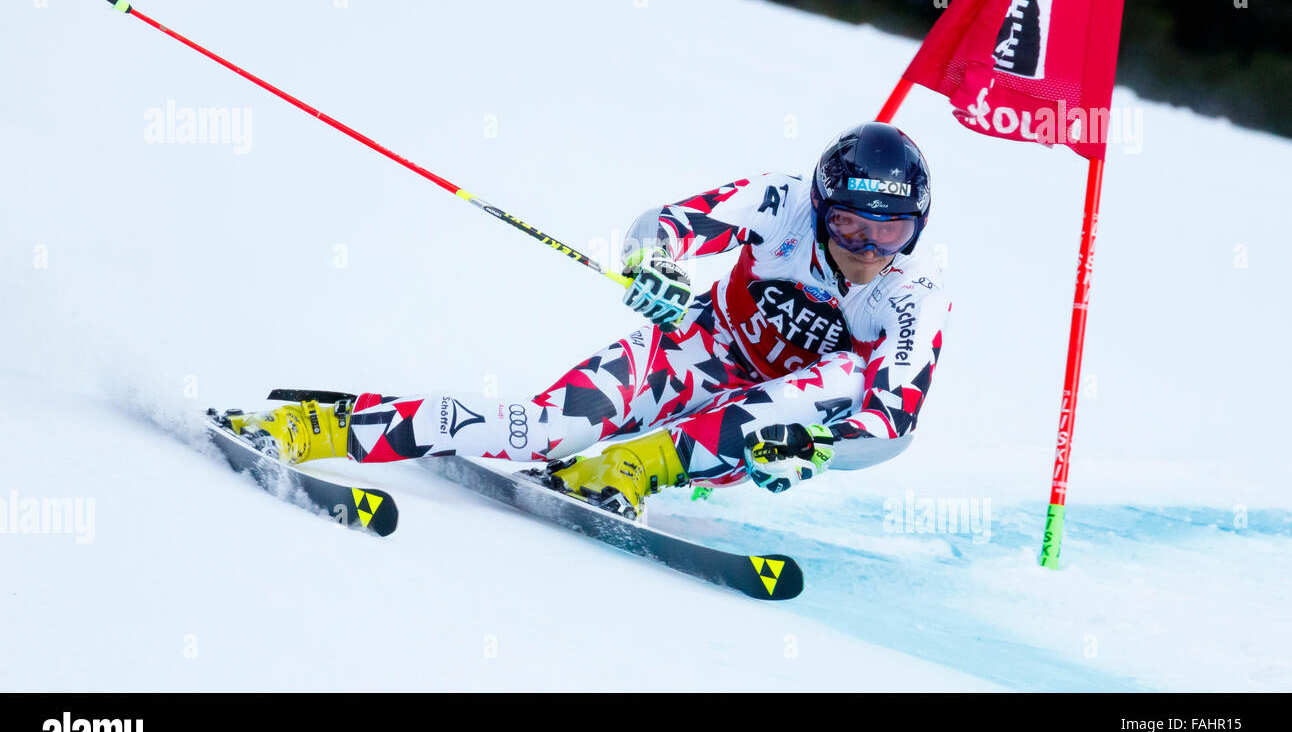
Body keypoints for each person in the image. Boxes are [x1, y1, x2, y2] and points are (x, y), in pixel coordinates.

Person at [224, 122, 950, 517]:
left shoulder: (915, 294)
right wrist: (655, 264)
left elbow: (894, 426)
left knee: (846, 375)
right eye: (853, 226)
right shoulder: (781, 202)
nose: (868, 249)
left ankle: (634, 465)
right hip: (693, 353)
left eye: (891, 234)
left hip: (754, 427)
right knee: (540, 429)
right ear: (823, 210)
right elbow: (665, 224)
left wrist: (816, 448)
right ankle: (317, 429)